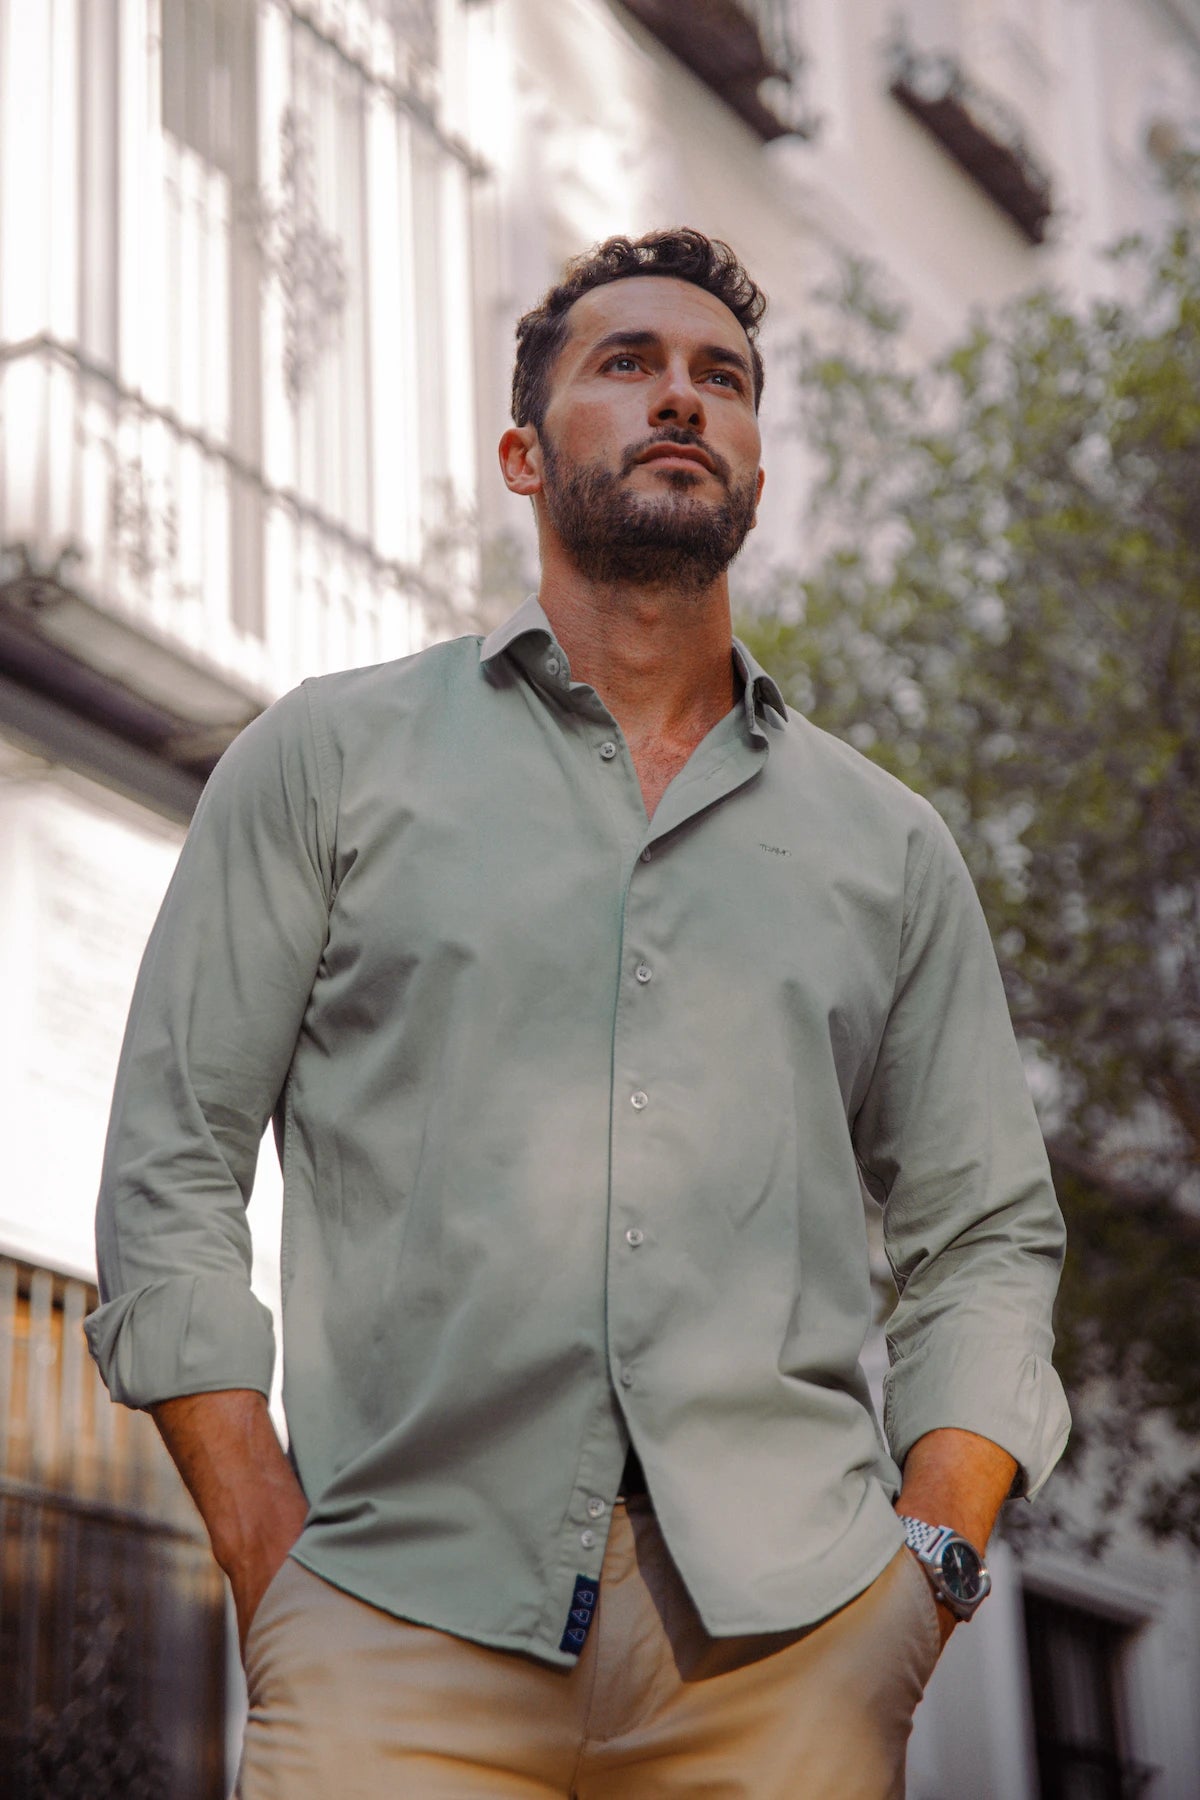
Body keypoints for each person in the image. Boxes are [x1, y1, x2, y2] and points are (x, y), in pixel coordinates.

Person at [86, 228, 1070, 1799]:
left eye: (723, 379)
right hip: (392, 1634)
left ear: (753, 459)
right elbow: (171, 1165)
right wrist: (276, 1564)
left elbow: (989, 1233)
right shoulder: (328, 763)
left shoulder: (888, 845)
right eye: (629, 365)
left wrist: (929, 1568)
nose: (683, 398)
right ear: (524, 455)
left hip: (790, 1662)